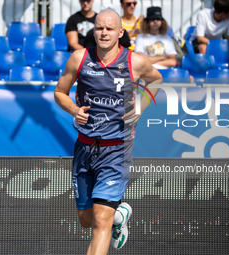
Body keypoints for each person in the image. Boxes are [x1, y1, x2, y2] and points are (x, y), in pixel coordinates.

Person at [54, 8, 162, 255]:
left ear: (120, 32)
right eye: (99, 28)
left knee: (100, 220)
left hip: (117, 149)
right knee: (86, 219)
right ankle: (120, 214)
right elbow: (60, 92)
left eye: (109, 28)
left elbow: (156, 80)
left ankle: (111, 215)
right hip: (85, 147)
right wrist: (74, 109)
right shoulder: (79, 58)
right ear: (93, 30)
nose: (103, 33)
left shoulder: (136, 61)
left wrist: (141, 105)